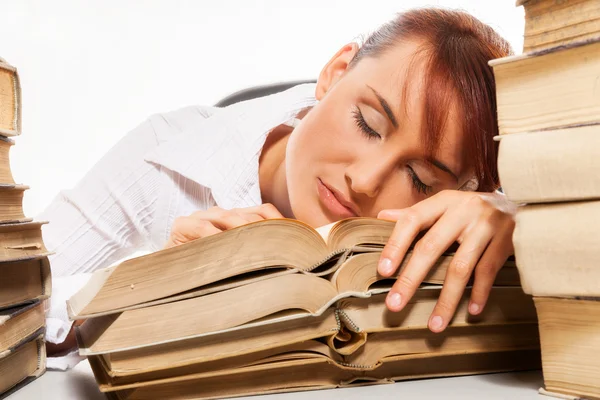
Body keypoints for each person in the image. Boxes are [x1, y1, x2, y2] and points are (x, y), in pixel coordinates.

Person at [41, 7, 515, 361]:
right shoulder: (168, 153)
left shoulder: (476, 204)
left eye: (420, 177)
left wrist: (520, 216)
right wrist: (147, 285)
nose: (365, 181)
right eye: (367, 123)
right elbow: (16, 304)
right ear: (334, 73)